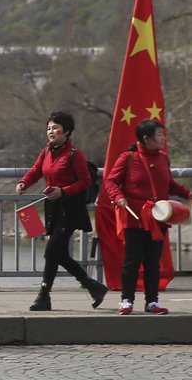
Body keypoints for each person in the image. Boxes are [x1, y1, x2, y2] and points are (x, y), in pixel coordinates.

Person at [16, 111, 107, 311]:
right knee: (58, 253)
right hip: (53, 207)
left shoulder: (74, 154)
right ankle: (92, 285)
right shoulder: (47, 151)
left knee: (51, 252)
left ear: (66, 132)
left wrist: (63, 191)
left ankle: (43, 296)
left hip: (71, 208)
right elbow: (36, 170)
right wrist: (24, 182)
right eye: (48, 128)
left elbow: (85, 182)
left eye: (55, 128)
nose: (51, 131)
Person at [104, 119, 191, 315]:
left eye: (163, 134)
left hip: (158, 217)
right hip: (134, 217)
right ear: (146, 138)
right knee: (132, 260)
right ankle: (127, 300)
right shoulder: (128, 158)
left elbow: (170, 185)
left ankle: (152, 301)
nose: (163, 138)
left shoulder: (163, 158)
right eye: (159, 135)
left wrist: (188, 194)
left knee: (153, 261)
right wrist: (118, 197)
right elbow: (110, 181)